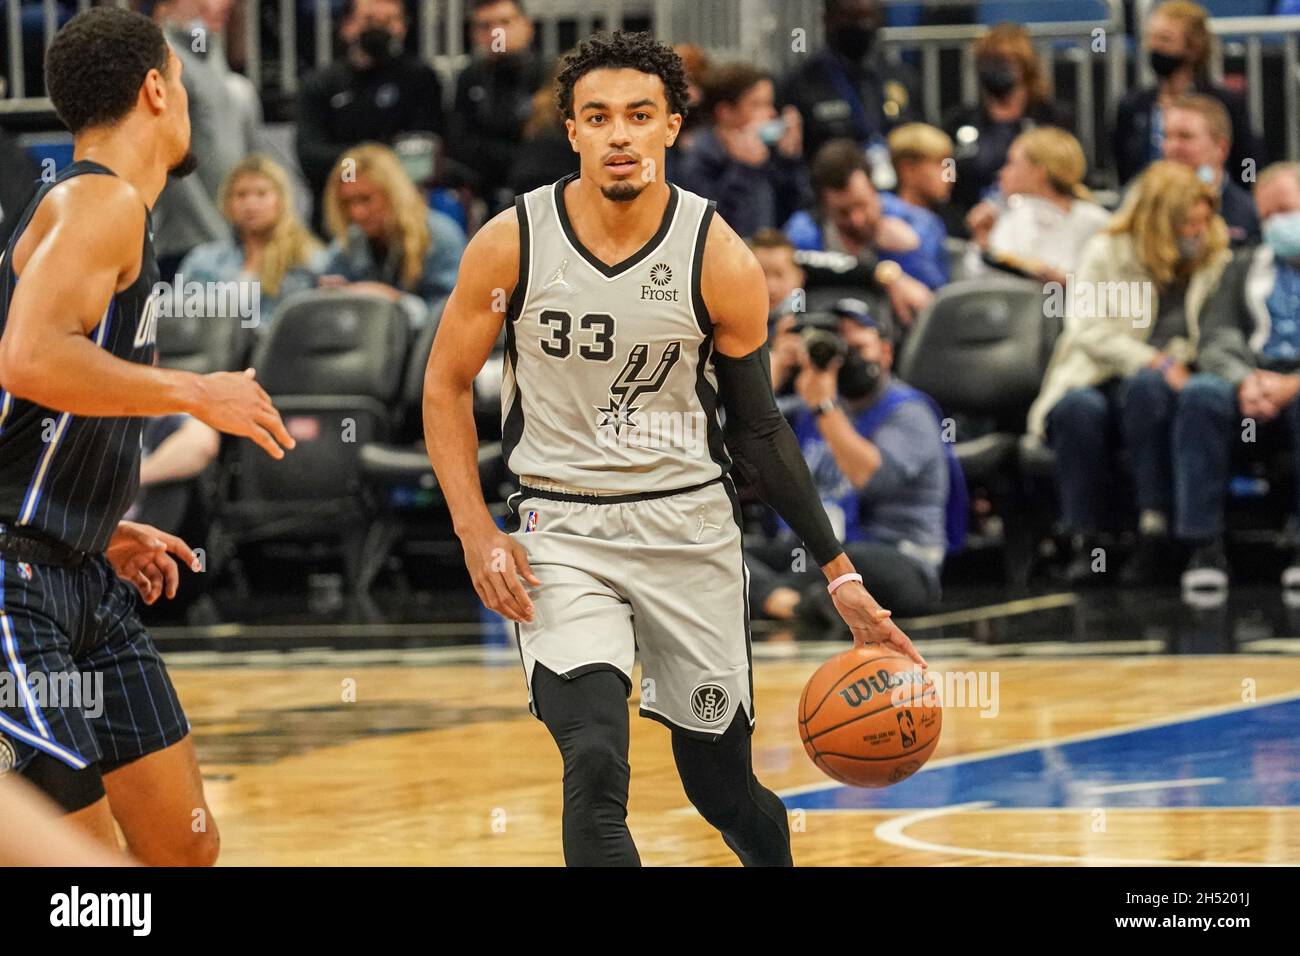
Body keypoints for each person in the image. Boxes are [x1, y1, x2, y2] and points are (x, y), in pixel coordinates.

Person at [423, 31, 922, 868]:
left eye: (639, 115)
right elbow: (443, 388)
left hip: (687, 528)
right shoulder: (511, 242)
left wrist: (839, 573)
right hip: (561, 528)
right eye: (598, 117)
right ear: (572, 131)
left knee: (721, 789)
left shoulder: (718, 254)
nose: (619, 134)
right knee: (592, 760)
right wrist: (477, 530)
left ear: (671, 128)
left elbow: (759, 429)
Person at [0, 7, 294, 862]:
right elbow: (29, 360)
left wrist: (97, 524)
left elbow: (29, 406)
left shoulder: (105, 211)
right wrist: (196, 389)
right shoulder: (102, 201)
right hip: (15, 585)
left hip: (79, 573)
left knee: (182, 846)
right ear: (158, 89)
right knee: (82, 872)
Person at [1026, 161, 1231, 585]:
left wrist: (1170, 363)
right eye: (1187, 224)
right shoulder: (1107, 250)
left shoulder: (1215, 255)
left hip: (1171, 385)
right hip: (1098, 373)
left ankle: (1153, 529)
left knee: (1148, 391)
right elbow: (1087, 329)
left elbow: (1214, 330)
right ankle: (1087, 541)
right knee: (1076, 410)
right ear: (1161, 222)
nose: (1196, 232)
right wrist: (1152, 360)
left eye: (1201, 222)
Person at [748, 302, 949, 623]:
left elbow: (870, 478)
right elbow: (732, 431)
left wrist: (825, 408)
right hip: (819, 555)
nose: (848, 360)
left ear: (885, 352)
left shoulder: (910, 411)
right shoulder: (808, 402)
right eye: (838, 349)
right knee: (727, 551)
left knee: (849, 560)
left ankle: (770, 597)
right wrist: (772, 370)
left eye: (858, 347)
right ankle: (789, 603)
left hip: (900, 560)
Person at [1174, 163, 1300, 592]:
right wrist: (1245, 379)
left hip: (1296, 385)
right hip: (1254, 379)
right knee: (1201, 393)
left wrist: (1293, 385)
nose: (1276, 225)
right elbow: (1216, 337)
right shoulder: (1243, 265)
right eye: (1266, 217)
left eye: (1285, 210)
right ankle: (1204, 546)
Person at [295, 0, 444, 229]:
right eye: (370, 20)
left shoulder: (420, 78)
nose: (379, 29)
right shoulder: (320, 83)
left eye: (390, 20)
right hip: (338, 212)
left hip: (406, 211)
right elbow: (311, 157)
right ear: (347, 25)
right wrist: (377, 160)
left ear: (403, 26)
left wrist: (358, 159)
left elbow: (422, 154)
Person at [147, 0, 261, 277]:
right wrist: (215, 234)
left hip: (226, 240)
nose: (225, 4)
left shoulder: (208, 49)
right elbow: (169, 162)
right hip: (187, 244)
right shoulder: (165, 59)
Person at [1113, 1, 1264, 189]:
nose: (1155, 47)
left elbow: (1248, 160)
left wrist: (1244, 199)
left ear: (1193, 48)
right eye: (1151, 38)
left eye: (1165, 39)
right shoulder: (1132, 105)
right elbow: (1123, 169)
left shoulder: (1227, 103)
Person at [785, 138, 934, 326]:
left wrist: (912, 253)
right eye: (843, 212)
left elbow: (935, 294)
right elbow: (793, 281)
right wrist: (883, 274)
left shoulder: (916, 223)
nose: (856, 219)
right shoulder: (803, 233)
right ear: (824, 206)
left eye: (862, 205)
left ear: (874, 189)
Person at [942, 23, 1074, 236]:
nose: (996, 67)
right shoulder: (957, 122)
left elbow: (1068, 180)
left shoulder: (1053, 119)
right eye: (989, 60)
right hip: (972, 230)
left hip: (1042, 230)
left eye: (1005, 60)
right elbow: (945, 184)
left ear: (1026, 67)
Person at [319, 142, 467, 326]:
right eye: (347, 202)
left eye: (366, 199)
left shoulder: (440, 237)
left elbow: (456, 315)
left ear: (393, 194)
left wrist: (395, 301)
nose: (357, 212)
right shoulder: (347, 245)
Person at [177, 154, 327, 330]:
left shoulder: (309, 258)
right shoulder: (202, 259)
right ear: (227, 203)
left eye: (261, 194)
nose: (250, 204)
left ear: (281, 201)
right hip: (212, 351)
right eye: (241, 195)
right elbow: (174, 317)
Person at [674, 62, 810, 240]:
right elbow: (718, 230)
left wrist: (789, 159)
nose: (771, 113)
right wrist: (744, 169)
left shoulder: (766, 150)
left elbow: (793, 212)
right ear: (726, 112)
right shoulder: (697, 160)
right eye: (758, 104)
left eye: (770, 103)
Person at [965, 127, 1110, 286]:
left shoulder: (1094, 221)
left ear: (1038, 172)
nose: (1002, 172)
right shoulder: (1013, 217)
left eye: (1011, 163)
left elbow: (1116, 284)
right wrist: (982, 241)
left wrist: (1068, 284)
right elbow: (979, 283)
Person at [780, 0, 918, 161]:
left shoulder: (900, 76)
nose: (862, 26)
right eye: (852, 17)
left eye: (869, 17)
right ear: (828, 20)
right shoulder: (801, 83)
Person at [448, 0, 550, 212]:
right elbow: (459, 140)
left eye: (505, 22)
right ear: (474, 34)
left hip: (543, 187)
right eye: (485, 26)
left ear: (527, 26)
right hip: (482, 189)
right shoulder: (469, 78)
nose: (497, 33)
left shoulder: (551, 75)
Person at [1161, 93, 1260, 246]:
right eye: (1166, 136)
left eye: (1185, 136)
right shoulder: (1141, 207)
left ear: (1221, 148)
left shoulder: (1251, 214)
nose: (1171, 147)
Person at [881, 123, 953, 289]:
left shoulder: (935, 221)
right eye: (941, 165)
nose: (950, 175)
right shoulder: (880, 211)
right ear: (908, 169)